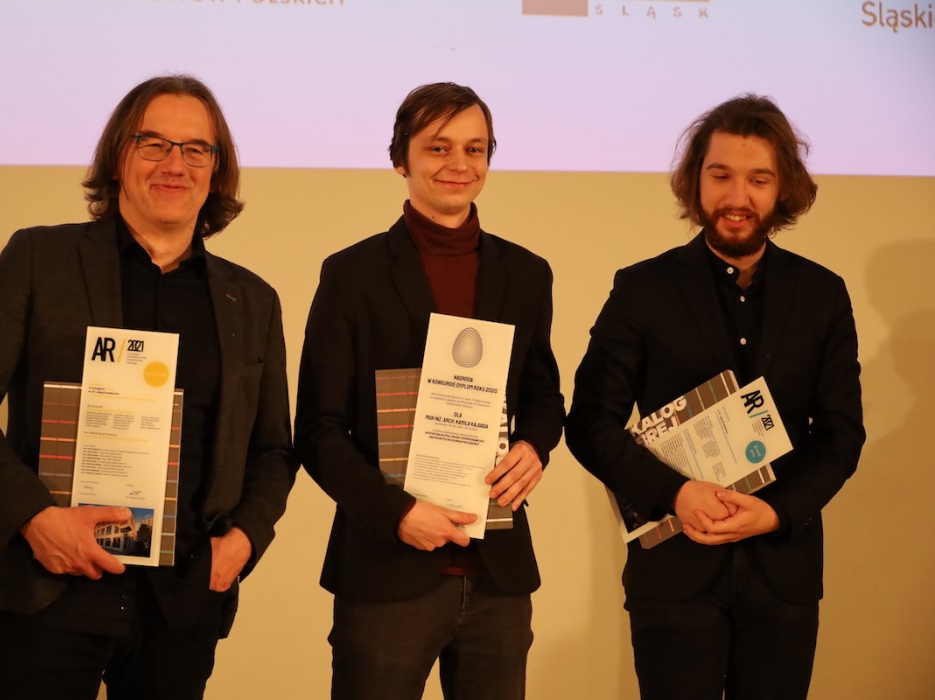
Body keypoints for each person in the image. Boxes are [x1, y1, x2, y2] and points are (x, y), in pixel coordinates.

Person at [0, 75, 298, 699]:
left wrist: (245, 540)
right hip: (50, 590)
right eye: (153, 144)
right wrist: (35, 519)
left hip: (182, 605)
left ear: (216, 168)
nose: (175, 164)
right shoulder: (41, 260)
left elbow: (273, 449)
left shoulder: (252, 300)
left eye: (195, 149)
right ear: (119, 156)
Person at [565, 94, 865, 699]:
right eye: (721, 175)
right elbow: (590, 422)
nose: (737, 196)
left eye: (758, 179)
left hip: (782, 572)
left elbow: (840, 435)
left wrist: (777, 511)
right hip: (674, 575)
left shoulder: (822, 294)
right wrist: (675, 494)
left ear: (783, 187)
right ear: (695, 181)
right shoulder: (643, 289)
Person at [295, 82, 564, 699]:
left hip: (498, 573)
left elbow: (544, 396)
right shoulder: (352, 274)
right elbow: (317, 430)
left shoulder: (526, 274)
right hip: (387, 571)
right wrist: (398, 515)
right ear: (401, 159)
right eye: (438, 147)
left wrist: (534, 446)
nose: (458, 163)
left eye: (475, 148)